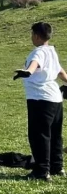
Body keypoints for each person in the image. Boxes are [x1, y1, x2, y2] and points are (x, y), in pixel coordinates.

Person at [13, 22, 67, 181]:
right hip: (56, 100)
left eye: (32, 34)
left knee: (40, 136)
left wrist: (27, 72)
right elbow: (61, 72)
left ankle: (42, 172)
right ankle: (57, 167)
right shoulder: (52, 51)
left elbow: (35, 64)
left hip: (40, 100)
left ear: (36, 36)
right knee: (55, 135)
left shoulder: (38, 52)